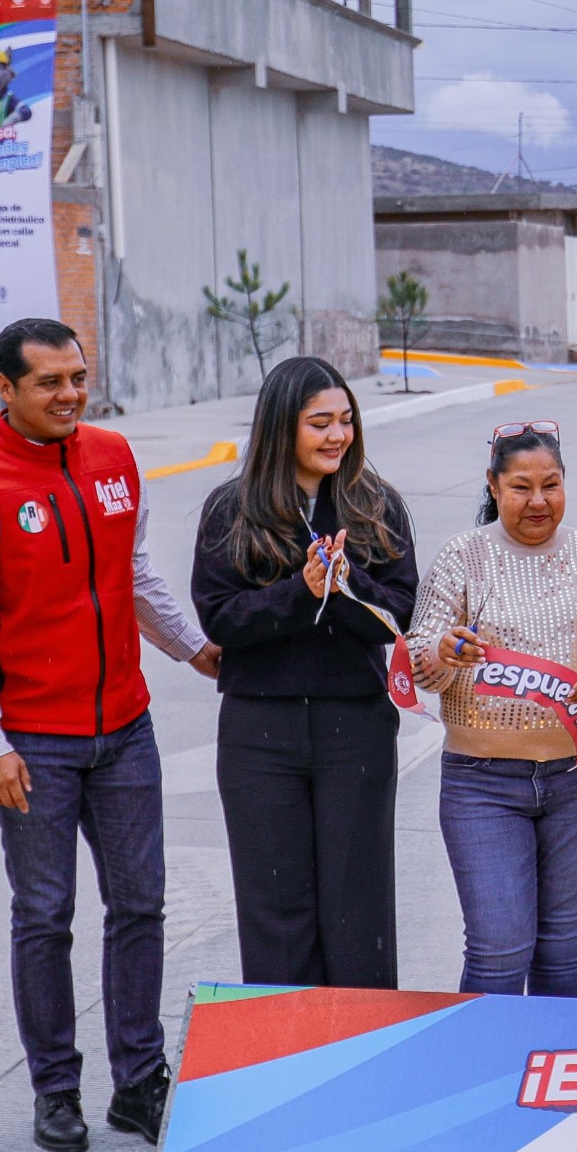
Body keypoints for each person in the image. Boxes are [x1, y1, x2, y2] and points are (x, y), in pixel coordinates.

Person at [0, 318, 221, 1152]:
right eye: (49, 383)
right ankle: (55, 1089)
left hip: (125, 729)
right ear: (6, 388)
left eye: (77, 378)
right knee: (44, 916)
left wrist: (193, 646)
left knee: (140, 906)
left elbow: (132, 575)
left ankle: (139, 1084)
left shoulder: (113, 459)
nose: (69, 396)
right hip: (36, 743)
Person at [192, 357, 417, 989]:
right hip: (260, 732)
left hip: (357, 728)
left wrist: (345, 586)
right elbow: (220, 618)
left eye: (345, 421)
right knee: (275, 910)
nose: (337, 436)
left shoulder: (376, 505)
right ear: (279, 427)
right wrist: (300, 591)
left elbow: (399, 615)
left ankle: (362, 1064)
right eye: (320, 423)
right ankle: (282, 1063)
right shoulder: (231, 509)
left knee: (358, 908)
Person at [410, 422, 577, 996]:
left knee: (563, 947)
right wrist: (444, 651)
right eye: (520, 487)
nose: (538, 502)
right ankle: (483, 1080)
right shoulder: (463, 556)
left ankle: (552, 1078)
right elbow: (417, 663)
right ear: (492, 485)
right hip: (481, 784)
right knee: (498, 950)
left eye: (551, 485)